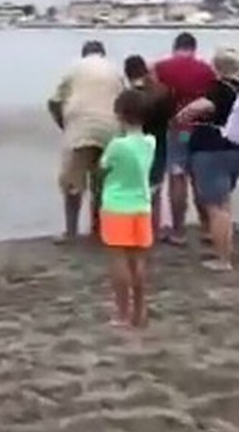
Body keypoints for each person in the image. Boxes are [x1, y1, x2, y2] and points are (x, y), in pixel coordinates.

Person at [176, 48, 239, 271]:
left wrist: (183, 115)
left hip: (213, 151)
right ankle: (224, 246)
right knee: (223, 201)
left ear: (217, 67)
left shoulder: (220, 89)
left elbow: (201, 106)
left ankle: (223, 258)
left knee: (216, 206)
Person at [47, 40, 125, 242]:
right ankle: (99, 229)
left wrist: (63, 124)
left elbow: (54, 102)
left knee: (73, 182)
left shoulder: (74, 68)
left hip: (80, 128)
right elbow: (125, 101)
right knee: (102, 181)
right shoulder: (115, 70)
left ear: (84, 54)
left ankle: (71, 232)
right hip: (111, 127)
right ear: (103, 53)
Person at [99, 89, 157, 328]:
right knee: (138, 261)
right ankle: (140, 310)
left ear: (120, 115)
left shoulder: (117, 145)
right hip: (142, 206)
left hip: (116, 205)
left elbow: (103, 166)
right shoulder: (150, 142)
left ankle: (123, 312)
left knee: (118, 260)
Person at [153, 32, 217, 245]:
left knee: (177, 176)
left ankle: (179, 231)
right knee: (199, 177)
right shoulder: (207, 70)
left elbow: (152, 96)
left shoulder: (161, 68)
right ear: (194, 48)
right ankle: (207, 227)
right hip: (201, 127)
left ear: (175, 47)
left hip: (176, 127)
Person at [123, 54, 172, 239]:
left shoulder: (128, 96)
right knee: (155, 189)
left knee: (134, 188)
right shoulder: (162, 91)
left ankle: (135, 228)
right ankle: (153, 229)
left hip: (134, 145)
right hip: (159, 143)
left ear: (127, 73)